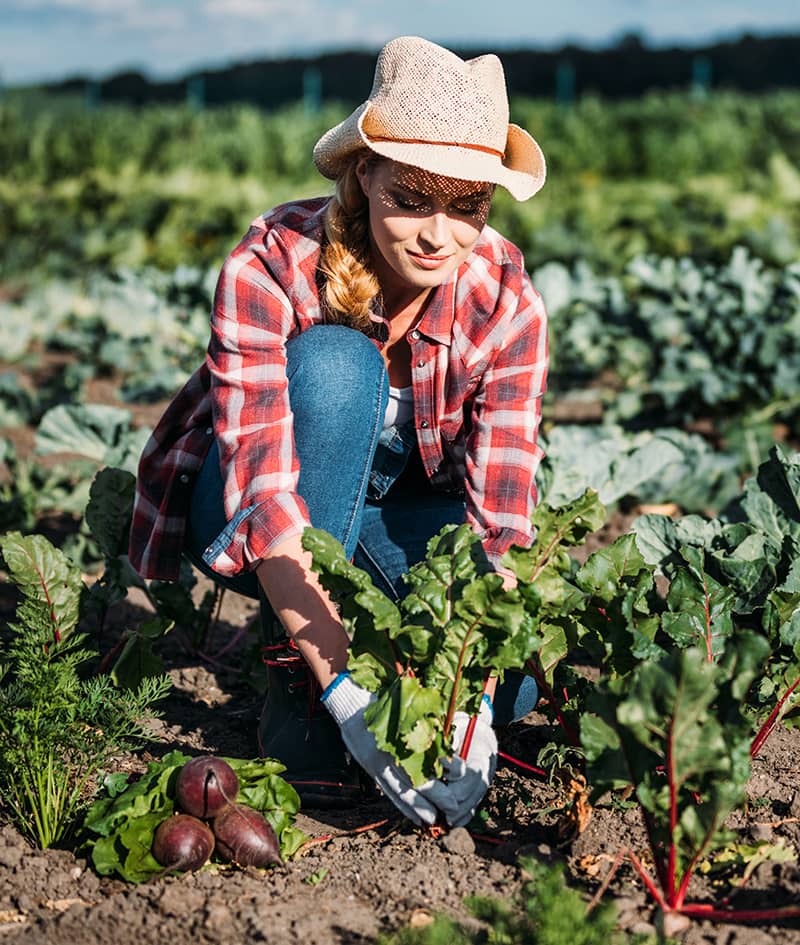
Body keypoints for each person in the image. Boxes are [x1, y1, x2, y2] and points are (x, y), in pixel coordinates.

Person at [128, 35, 548, 828]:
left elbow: (500, 529)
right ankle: (296, 673)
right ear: (365, 174)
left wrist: (474, 697)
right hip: (257, 508)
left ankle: (364, 655)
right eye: (412, 198)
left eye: (467, 207)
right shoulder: (273, 262)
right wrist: (347, 691)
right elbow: (268, 500)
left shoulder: (506, 301)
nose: (438, 234)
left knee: (519, 680)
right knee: (333, 365)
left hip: (397, 514)